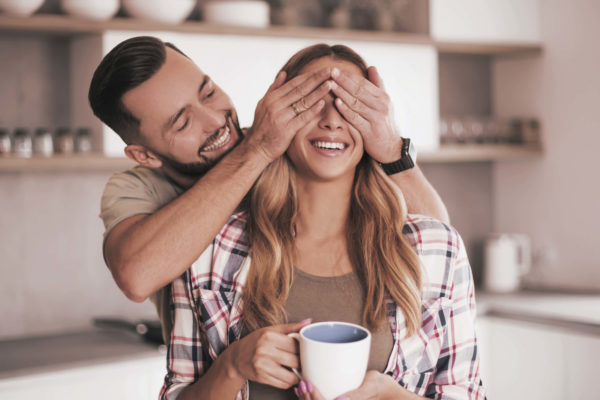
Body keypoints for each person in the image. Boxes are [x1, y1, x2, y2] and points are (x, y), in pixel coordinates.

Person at [160, 44, 486, 400]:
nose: (332, 121)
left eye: (351, 106)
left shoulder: (438, 250)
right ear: (278, 115)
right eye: (311, 102)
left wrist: (392, 397)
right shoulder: (210, 249)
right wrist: (233, 366)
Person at [88, 36, 449, 343]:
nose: (216, 121)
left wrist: (392, 152)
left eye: (209, 93)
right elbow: (137, 276)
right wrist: (256, 149)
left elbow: (439, 252)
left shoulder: (289, 143)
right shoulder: (137, 188)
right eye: (183, 123)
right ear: (144, 155)